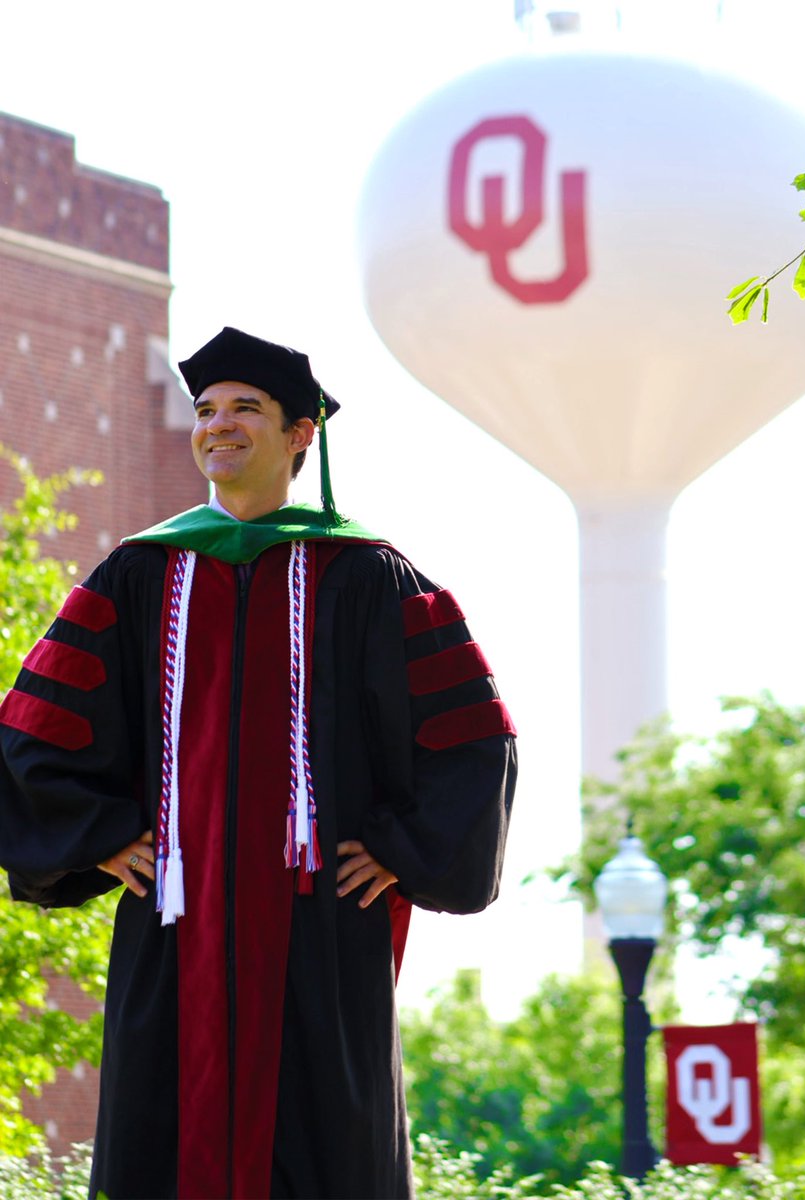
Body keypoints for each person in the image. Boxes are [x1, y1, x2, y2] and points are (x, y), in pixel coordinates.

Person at [0, 327, 517, 1200]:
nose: (219, 426)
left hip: (319, 940)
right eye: (206, 410)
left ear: (300, 435)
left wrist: (399, 848)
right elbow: (32, 732)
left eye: (247, 408)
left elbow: (473, 740)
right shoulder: (135, 576)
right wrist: (101, 835)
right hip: (176, 927)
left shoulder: (372, 578)